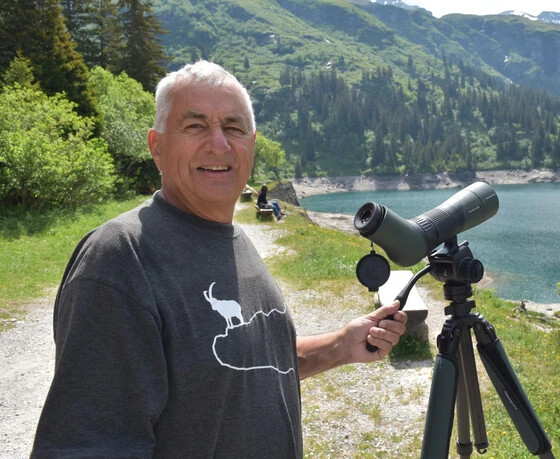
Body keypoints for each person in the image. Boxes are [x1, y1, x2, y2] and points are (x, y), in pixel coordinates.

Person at [30, 61, 407, 458]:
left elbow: (244, 364)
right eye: (195, 126)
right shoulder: (121, 259)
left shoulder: (233, 240)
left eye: (233, 127)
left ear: (252, 144)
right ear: (156, 147)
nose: (218, 144)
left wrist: (341, 346)